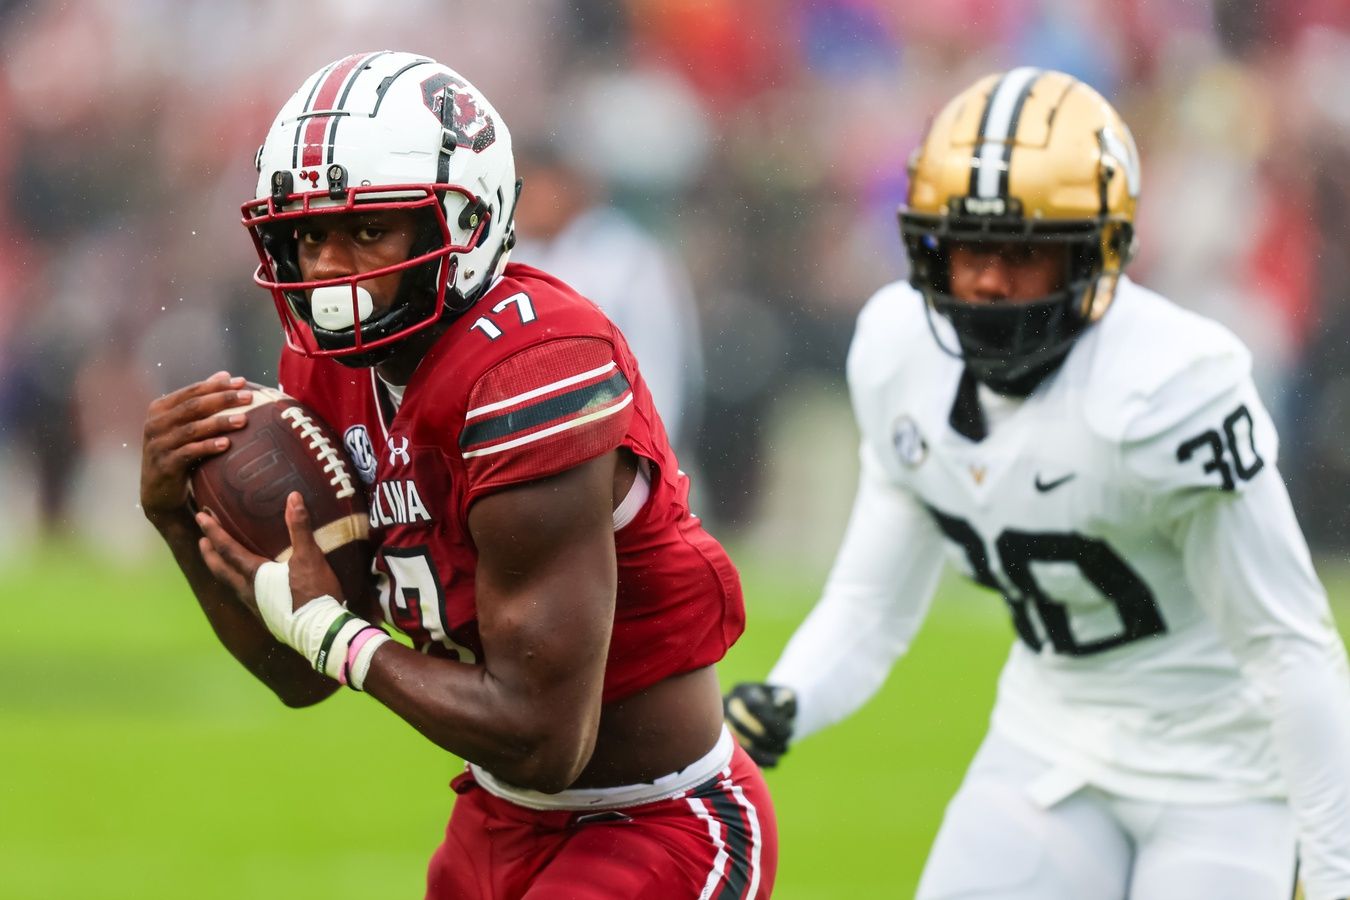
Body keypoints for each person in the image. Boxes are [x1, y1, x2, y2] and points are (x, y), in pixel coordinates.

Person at [139, 50, 775, 899]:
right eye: (309, 233)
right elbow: (298, 675)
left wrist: (335, 633)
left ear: (464, 225)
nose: (329, 268)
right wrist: (179, 520)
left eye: (368, 230)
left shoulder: (534, 370)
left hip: (656, 820)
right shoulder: (327, 370)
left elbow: (545, 737)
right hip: (495, 819)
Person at [724, 68, 1350, 900]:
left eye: (1022, 251)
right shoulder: (896, 353)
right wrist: (793, 693)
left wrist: (1337, 868)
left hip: (1222, 773)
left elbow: (1290, 646)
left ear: (1101, 254)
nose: (985, 281)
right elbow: (873, 604)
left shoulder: (1169, 389)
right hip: (1047, 736)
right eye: (967, 245)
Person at [512, 137, 704, 453]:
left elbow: (657, 368)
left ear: (565, 184)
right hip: (534, 445)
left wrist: (639, 454)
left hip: (618, 447)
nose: (521, 199)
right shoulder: (514, 256)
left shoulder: (628, 260)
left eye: (530, 183)